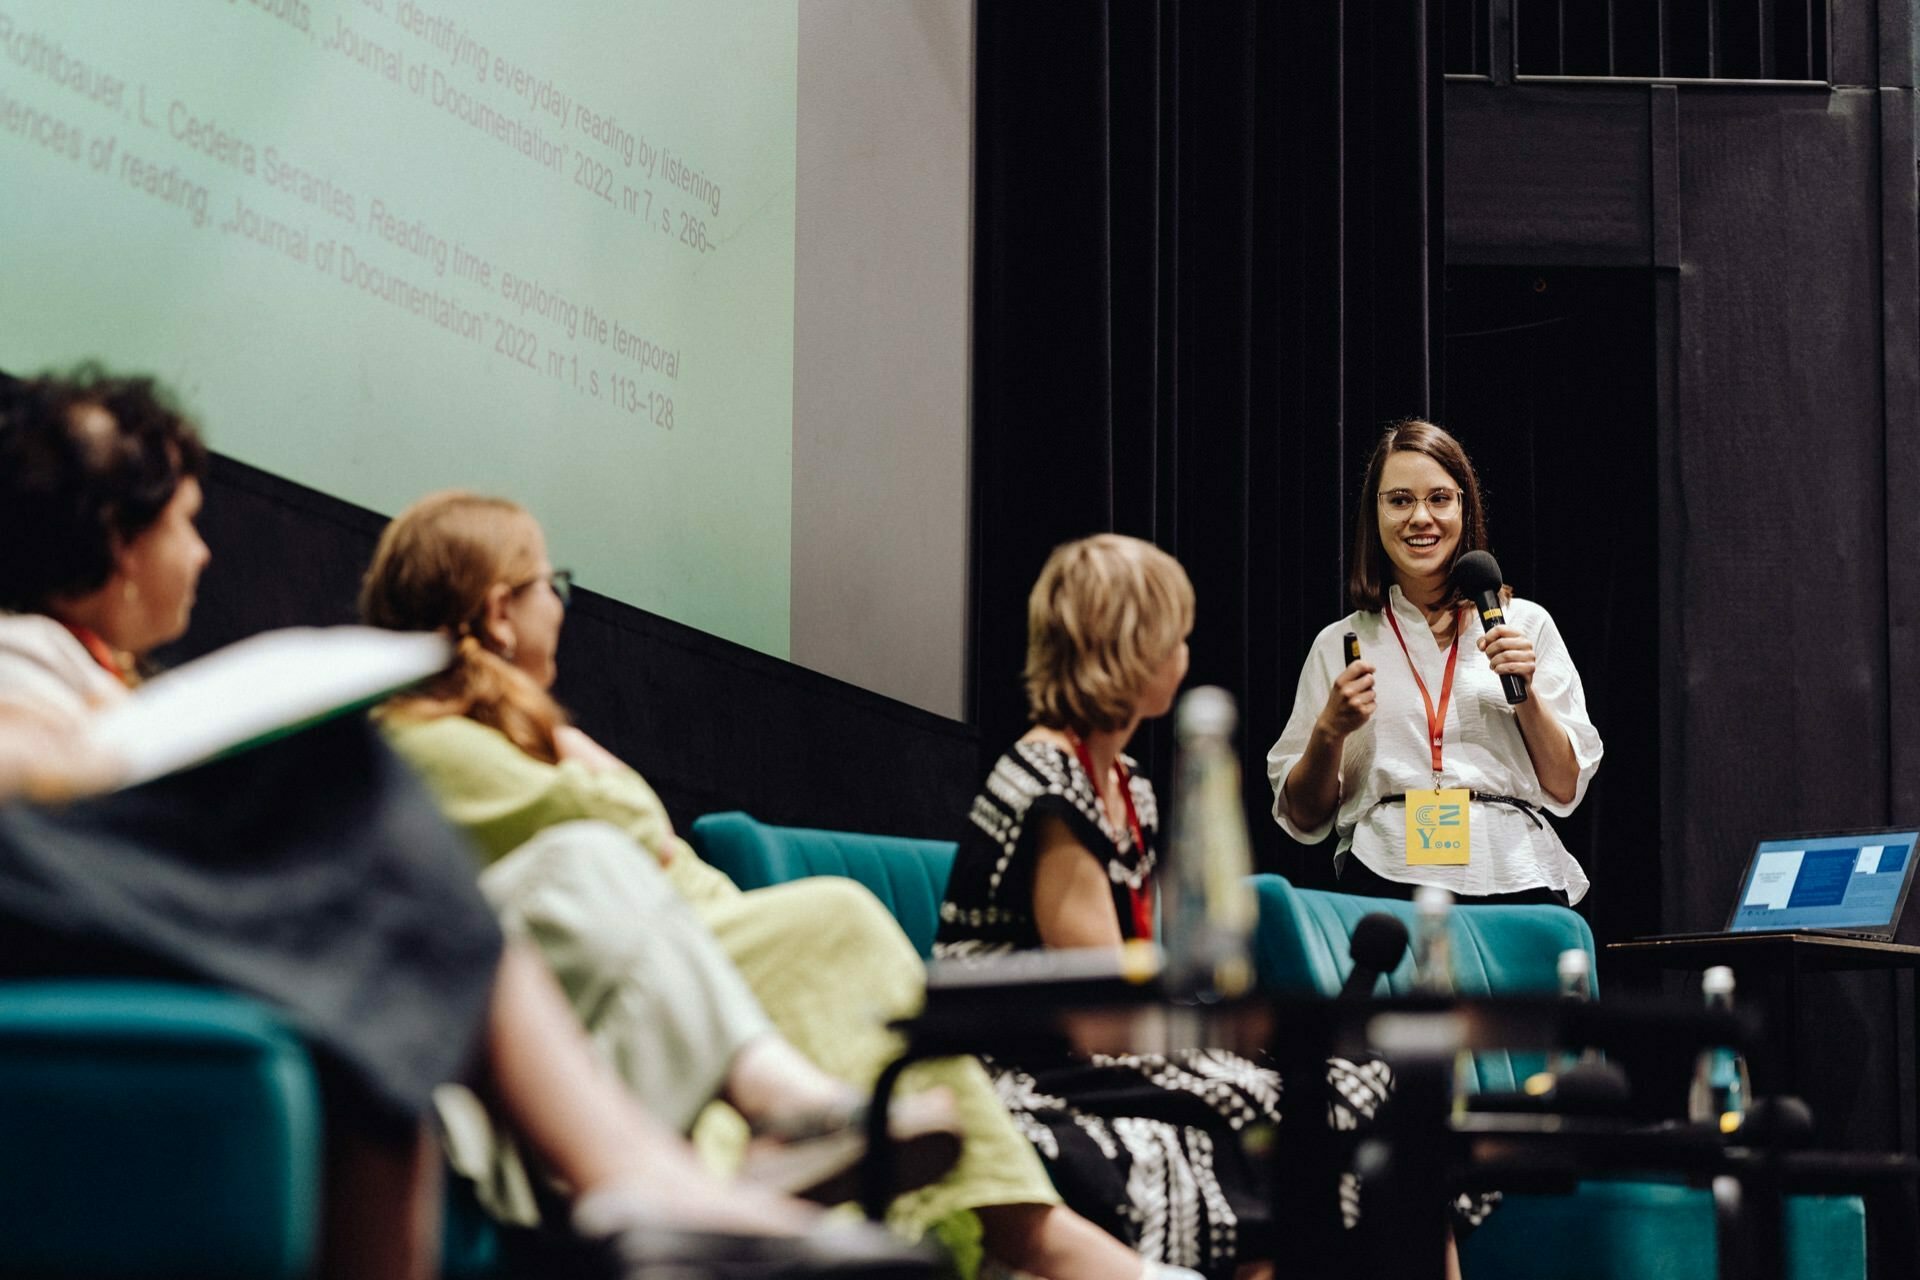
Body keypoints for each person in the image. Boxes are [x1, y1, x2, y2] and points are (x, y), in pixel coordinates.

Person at [0, 366, 919, 1280]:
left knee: (577, 863)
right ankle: (647, 1168)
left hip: (141, 902)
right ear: (123, 542)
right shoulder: (24, 662)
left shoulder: (99, 676)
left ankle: (695, 1144)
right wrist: (86, 756)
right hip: (62, 906)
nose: (203, 552)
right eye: (188, 522)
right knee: (362, 792)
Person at [358, 491, 1183, 1280]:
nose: (561, 608)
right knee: (836, 916)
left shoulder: (495, 732)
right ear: (500, 613)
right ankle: (1024, 1232)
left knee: (836, 921)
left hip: (678, 939)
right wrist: (572, 751)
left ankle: (968, 1212)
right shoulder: (426, 734)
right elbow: (626, 829)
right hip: (632, 957)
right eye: (551, 587)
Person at [933, 534, 1493, 1280]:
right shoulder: (1047, 784)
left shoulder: (1127, 782)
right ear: (1131, 650)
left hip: (1103, 1054)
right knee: (1292, 1106)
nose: (1186, 655)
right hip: (1028, 1064)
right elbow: (1101, 1016)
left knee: (1379, 1089)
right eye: (1177, 638)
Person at [1268, 419, 1603, 905]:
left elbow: (1565, 786)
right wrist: (1329, 731)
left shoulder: (1525, 624)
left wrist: (1526, 694)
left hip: (1518, 875)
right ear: (1375, 514)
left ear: (1464, 509)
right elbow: (1303, 818)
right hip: (1388, 875)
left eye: (1440, 498)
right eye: (1400, 500)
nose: (1420, 517)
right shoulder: (1342, 642)